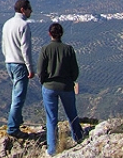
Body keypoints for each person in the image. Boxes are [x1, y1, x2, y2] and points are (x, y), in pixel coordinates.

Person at [38, 23, 83, 156]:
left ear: (49, 34)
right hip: (66, 87)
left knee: (51, 118)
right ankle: (78, 138)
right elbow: (75, 71)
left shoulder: (45, 49)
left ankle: (51, 150)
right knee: (72, 114)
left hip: (49, 87)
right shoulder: (68, 49)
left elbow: (40, 71)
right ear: (61, 33)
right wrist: (70, 81)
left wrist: (45, 82)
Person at [1, 0, 34, 138]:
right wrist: (30, 67)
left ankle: (17, 120)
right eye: (29, 9)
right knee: (18, 97)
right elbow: (25, 49)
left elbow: (3, 45)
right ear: (23, 10)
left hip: (9, 62)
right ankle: (13, 128)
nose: (30, 11)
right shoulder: (24, 25)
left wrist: (8, 58)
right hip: (20, 64)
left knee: (16, 93)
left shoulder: (7, 24)